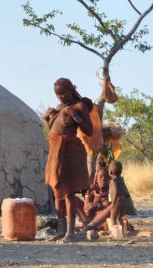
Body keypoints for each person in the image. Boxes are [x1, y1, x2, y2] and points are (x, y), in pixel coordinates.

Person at [43, 78, 93, 242]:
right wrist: (47, 118)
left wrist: (75, 116)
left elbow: (89, 130)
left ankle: (70, 233)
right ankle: (61, 230)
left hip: (70, 152)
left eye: (63, 93)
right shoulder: (58, 108)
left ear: (71, 90)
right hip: (55, 151)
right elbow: (54, 130)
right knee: (57, 191)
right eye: (57, 94)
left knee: (69, 192)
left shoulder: (79, 106)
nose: (60, 97)